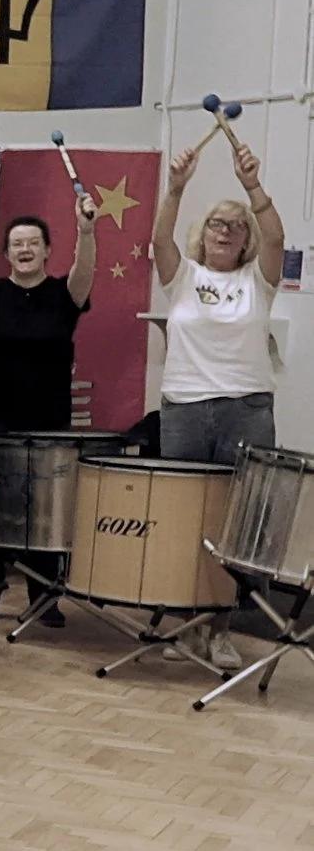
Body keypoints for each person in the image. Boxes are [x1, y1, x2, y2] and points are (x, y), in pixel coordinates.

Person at [154, 140, 287, 673]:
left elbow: (277, 235)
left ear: (244, 240)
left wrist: (251, 184)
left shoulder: (259, 283)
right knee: (186, 520)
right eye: (216, 224)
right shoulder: (182, 277)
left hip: (246, 409)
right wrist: (178, 186)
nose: (225, 232)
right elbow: (157, 237)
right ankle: (183, 625)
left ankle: (221, 630)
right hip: (185, 407)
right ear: (203, 233)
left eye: (235, 227)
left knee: (237, 525)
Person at [0, 198, 96, 625]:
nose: (25, 249)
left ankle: (44, 596)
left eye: (34, 242)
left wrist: (86, 232)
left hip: (49, 422)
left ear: (48, 249)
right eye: (17, 243)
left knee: (46, 513)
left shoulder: (63, 294)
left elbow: (84, 272)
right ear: (6, 253)